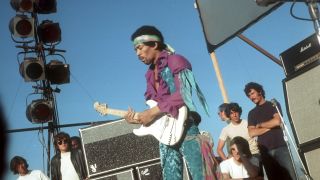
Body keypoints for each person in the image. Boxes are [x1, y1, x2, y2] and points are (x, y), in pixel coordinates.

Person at [124, 25, 210, 180]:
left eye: (139, 48)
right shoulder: (149, 75)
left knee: (200, 175)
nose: (137, 53)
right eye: (135, 50)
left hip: (186, 127)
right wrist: (140, 119)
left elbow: (184, 94)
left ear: (154, 44)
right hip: (165, 133)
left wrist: (152, 112)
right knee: (170, 176)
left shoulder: (176, 60)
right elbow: (154, 107)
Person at [244, 82, 296, 180]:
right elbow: (251, 133)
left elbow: (277, 121)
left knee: (290, 177)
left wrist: (260, 125)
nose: (251, 97)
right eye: (249, 95)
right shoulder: (251, 113)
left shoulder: (272, 104)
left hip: (281, 148)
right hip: (265, 152)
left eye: (253, 93)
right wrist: (269, 126)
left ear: (259, 91)